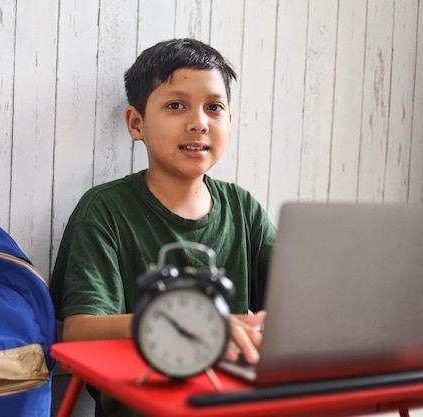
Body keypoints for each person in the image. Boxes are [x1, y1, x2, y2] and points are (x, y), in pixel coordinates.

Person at [49, 38, 276, 417]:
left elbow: (294, 311)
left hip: (235, 401)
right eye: (176, 105)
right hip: (145, 404)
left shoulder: (244, 209)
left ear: (229, 122)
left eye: (214, 108)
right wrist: (200, 324)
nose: (198, 123)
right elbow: (79, 330)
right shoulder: (105, 210)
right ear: (136, 123)